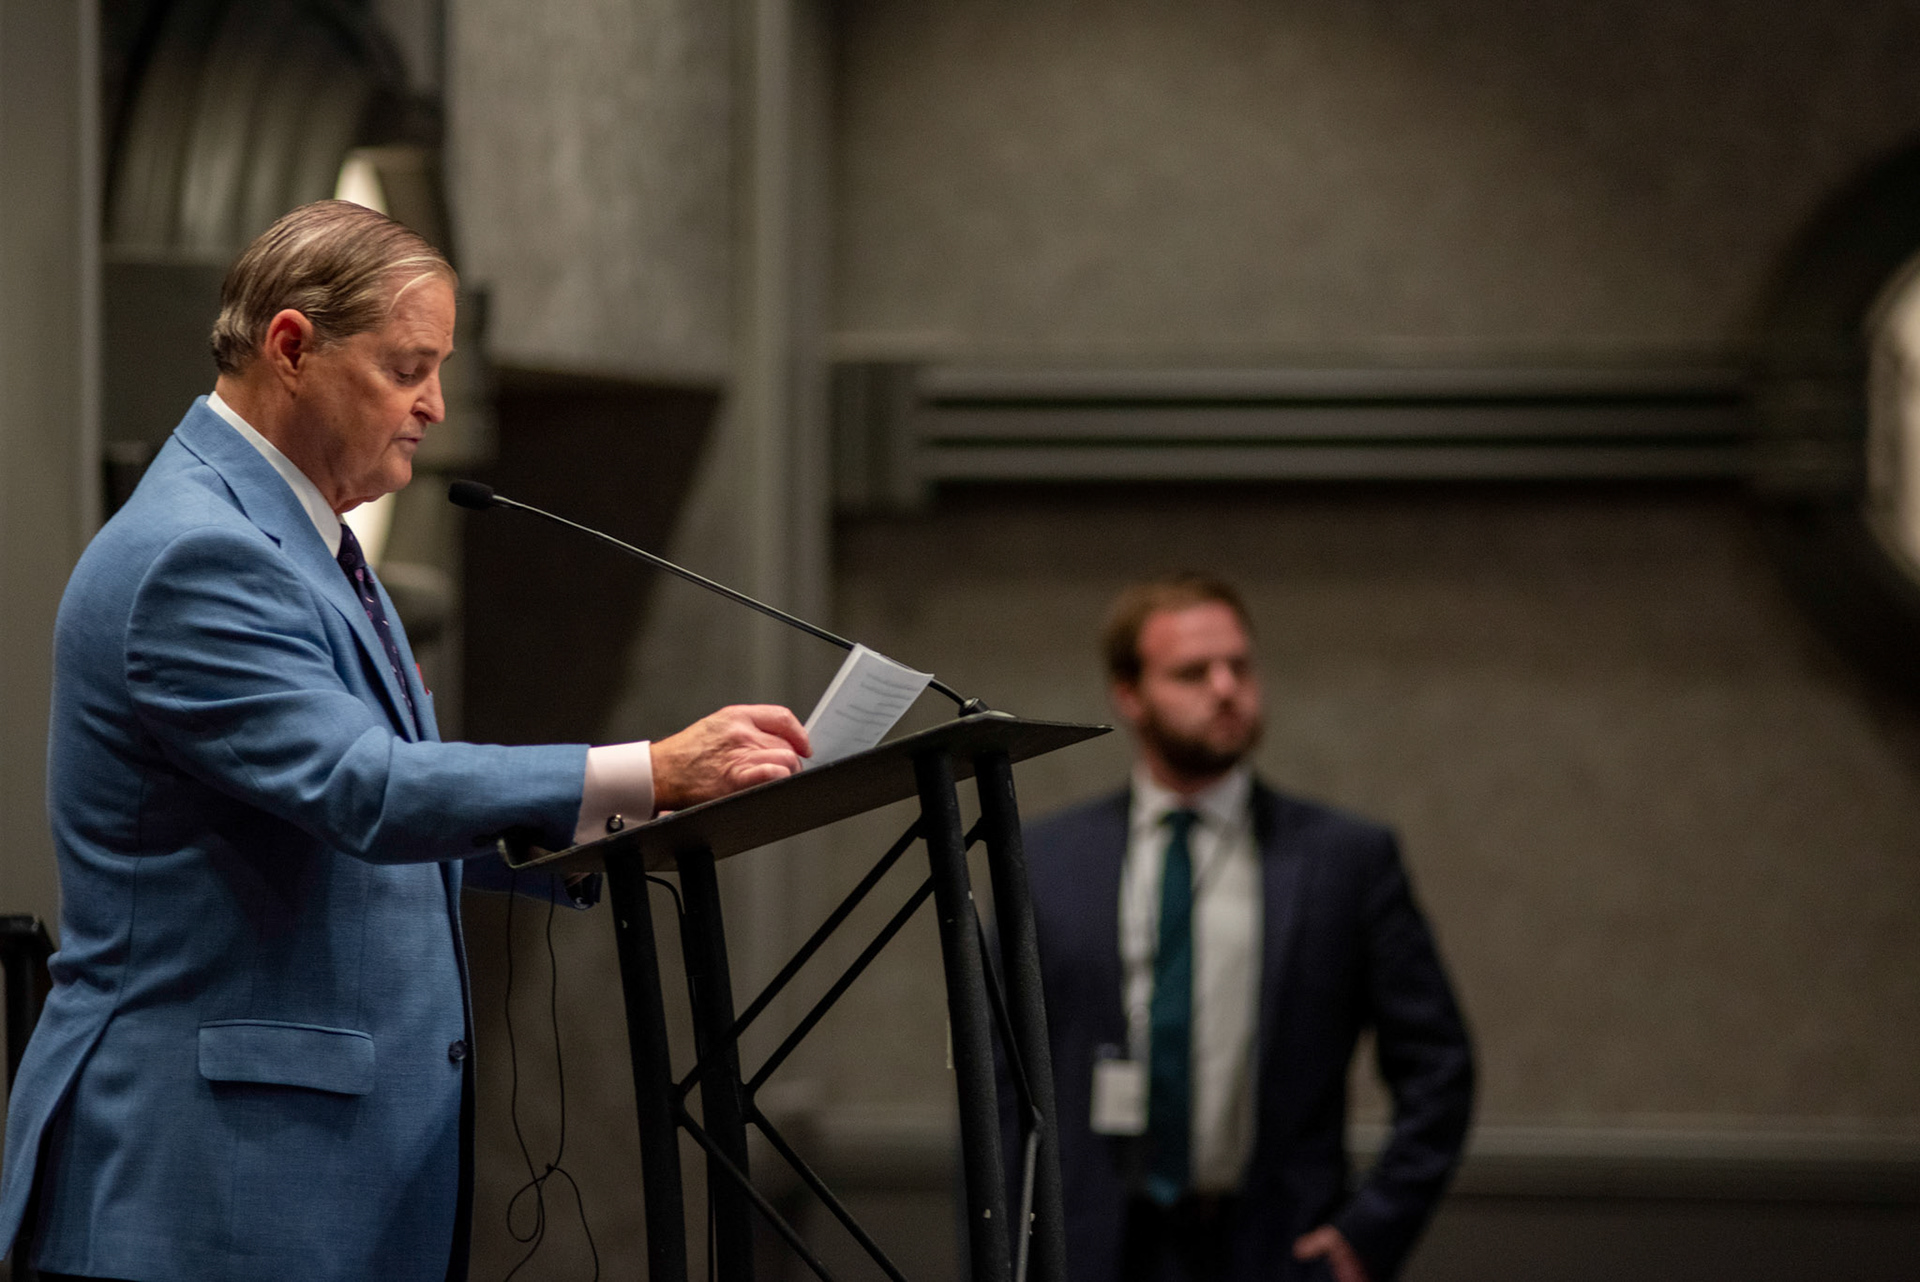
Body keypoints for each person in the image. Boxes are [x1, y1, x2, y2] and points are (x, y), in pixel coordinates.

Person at [0, 200, 809, 1282]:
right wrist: (645, 769)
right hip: (202, 1194)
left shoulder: (301, 538)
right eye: (407, 367)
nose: (434, 404)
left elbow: (350, 815)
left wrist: (633, 815)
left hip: (292, 1185)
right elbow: (363, 792)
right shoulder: (200, 554)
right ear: (292, 347)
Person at [1019, 574, 1472, 1282]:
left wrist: (1371, 1232)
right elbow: (998, 1087)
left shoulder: (1343, 860)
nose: (1226, 688)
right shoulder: (1047, 862)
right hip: (1098, 1248)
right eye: (1193, 673)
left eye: (1239, 665)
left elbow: (1439, 1067)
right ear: (1129, 694)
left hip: (1278, 1246)